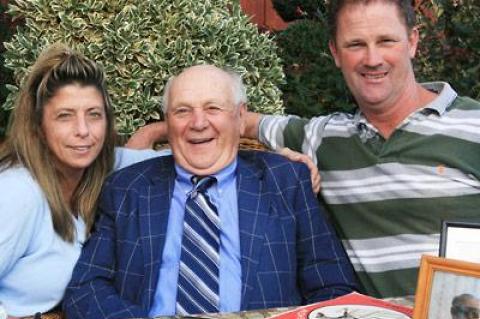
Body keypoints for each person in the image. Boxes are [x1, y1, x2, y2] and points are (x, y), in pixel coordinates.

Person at [124, 0, 480, 303]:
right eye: (356, 44)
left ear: (412, 42)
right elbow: (237, 120)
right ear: (335, 53)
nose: (372, 59)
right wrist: (158, 130)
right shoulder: (324, 136)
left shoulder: (473, 125)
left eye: (386, 40)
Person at [63, 65, 357, 319]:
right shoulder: (127, 188)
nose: (198, 123)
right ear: (168, 122)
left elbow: (332, 285)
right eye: (182, 111)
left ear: (240, 118)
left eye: (213, 108)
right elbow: (86, 287)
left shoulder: (285, 181)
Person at [0, 44, 168, 318]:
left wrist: (247, 124)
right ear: (38, 127)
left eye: (94, 115)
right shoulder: (17, 192)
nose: (83, 131)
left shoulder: (104, 166)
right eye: (64, 116)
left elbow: (193, 153)